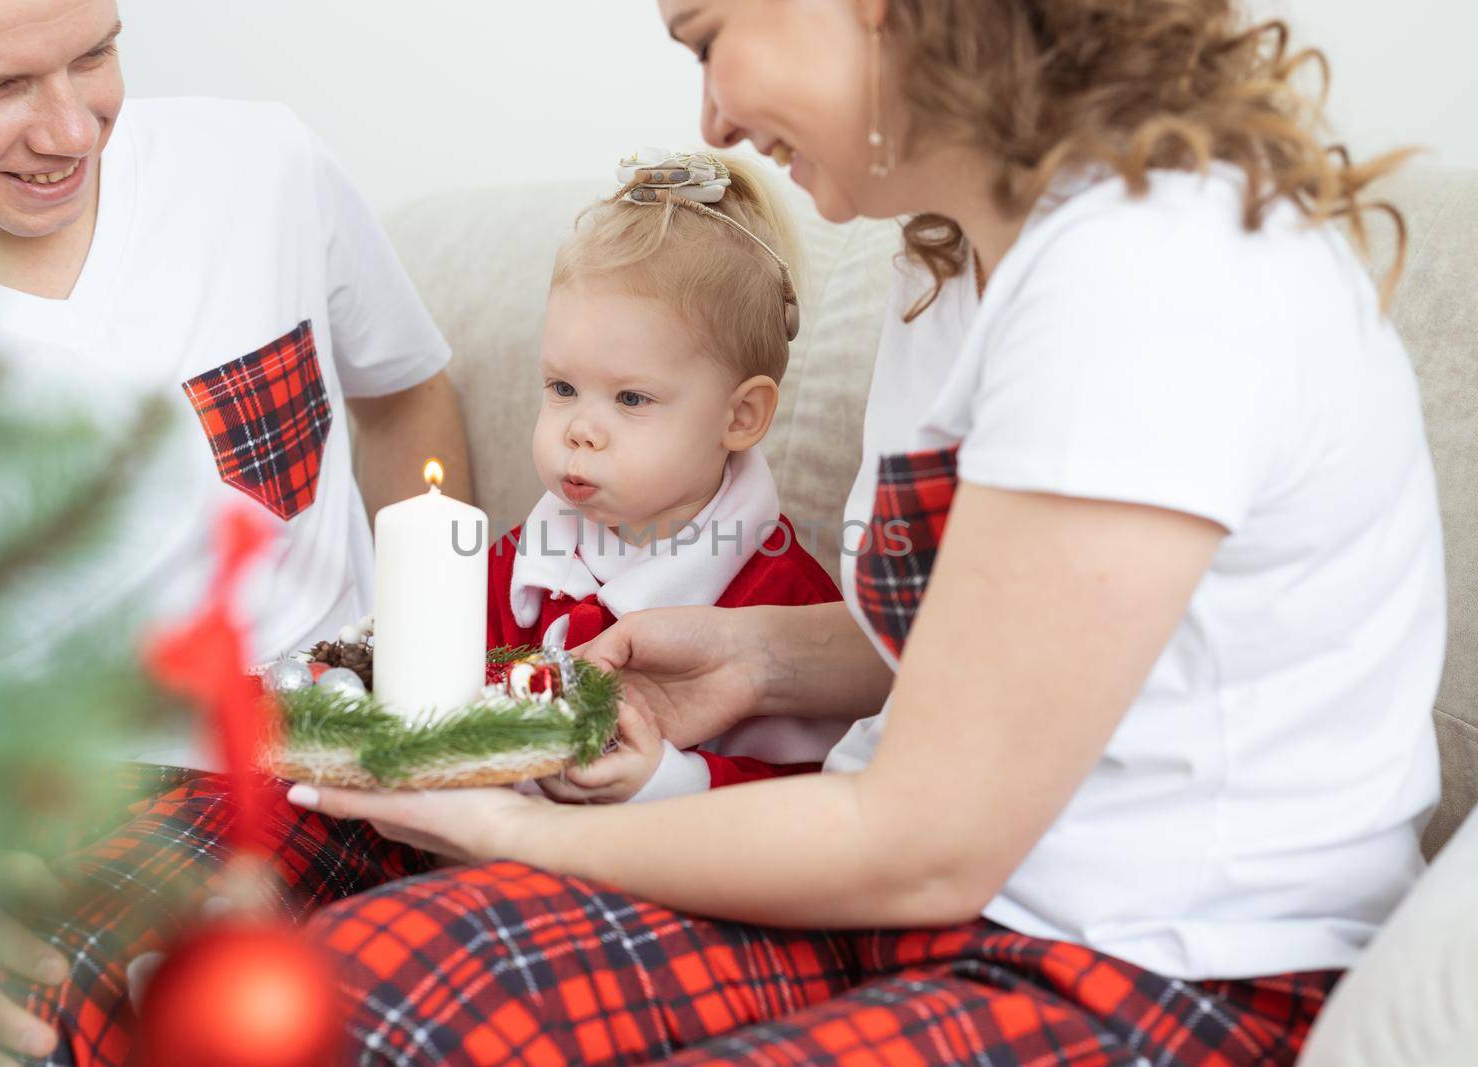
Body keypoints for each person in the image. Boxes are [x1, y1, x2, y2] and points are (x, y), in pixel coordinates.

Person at [287, 1, 1445, 1063]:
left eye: (706, 39)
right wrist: (759, 656)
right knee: (338, 1003)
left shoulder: (1153, 274)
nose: (713, 118)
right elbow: (1009, 637)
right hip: (913, 907)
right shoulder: (943, 268)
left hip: (1149, 965)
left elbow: (927, 837)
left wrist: (502, 824)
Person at [0, 0, 470, 1061]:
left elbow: (403, 395)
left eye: (96, 55)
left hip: (305, 755)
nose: (70, 129)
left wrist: (434, 671)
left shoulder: (259, 166)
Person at [491, 149, 843, 803]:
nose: (579, 429)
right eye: (562, 387)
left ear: (740, 416)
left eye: (630, 399)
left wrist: (669, 782)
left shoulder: (784, 600)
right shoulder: (515, 567)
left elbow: (819, 796)